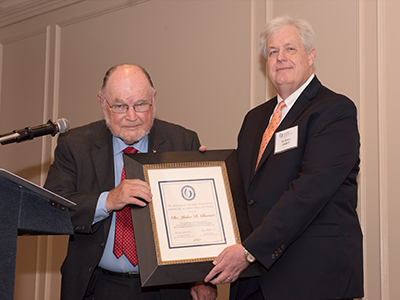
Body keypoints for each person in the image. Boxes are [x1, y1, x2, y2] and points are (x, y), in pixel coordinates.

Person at [204, 15, 363, 300]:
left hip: (312, 278)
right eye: (273, 52)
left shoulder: (334, 111)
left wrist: (250, 250)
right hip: (253, 281)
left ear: (310, 56)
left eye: (290, 49)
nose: (280, 58)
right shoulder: (254, 119)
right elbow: (242, 192)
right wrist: (207, 172)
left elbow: (309, 191)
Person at [44, 64, 217, 300]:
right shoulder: (75, 145)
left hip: (165, 288)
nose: (132, 116)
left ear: (154, 100)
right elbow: (52, 209)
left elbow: (197, 221)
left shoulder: (182, 142)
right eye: (120, 106)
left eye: (140, 104)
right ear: (102, 103)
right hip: (96, 285)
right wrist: (108, 200)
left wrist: (200, 277)